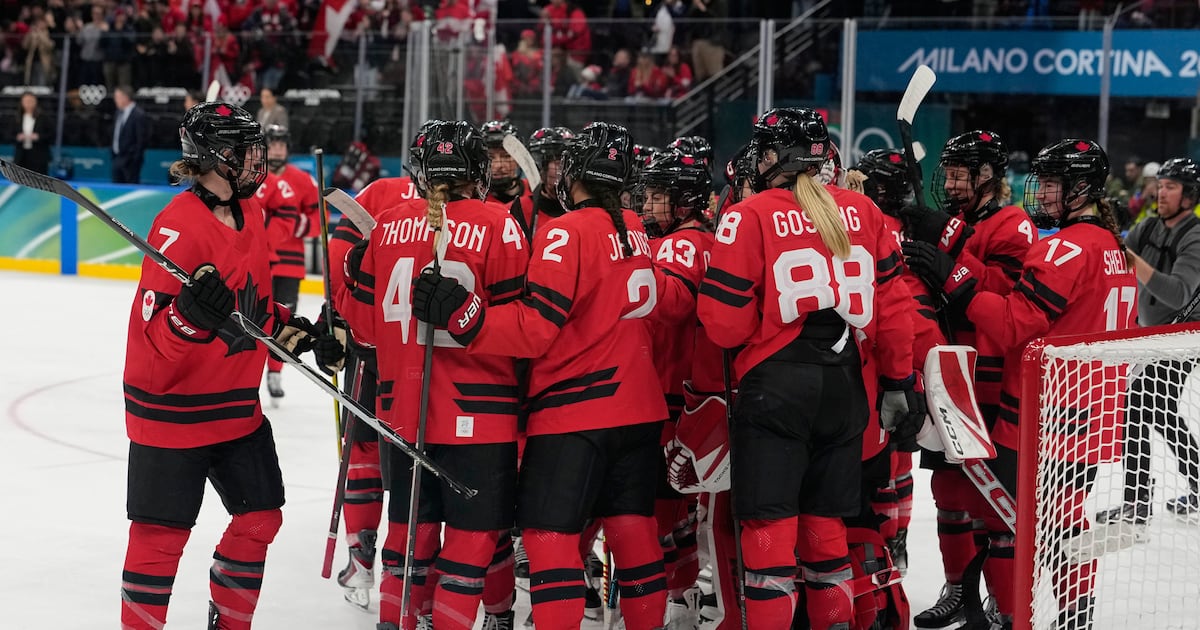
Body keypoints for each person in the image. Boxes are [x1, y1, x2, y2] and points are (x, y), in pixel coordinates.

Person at [412, 122, 670, 630]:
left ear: (576, 172)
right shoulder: (635, 227)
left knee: (549, 540)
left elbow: (534, 330)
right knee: (634, 534)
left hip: (576, 414)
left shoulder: (566, 231)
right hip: (640, 412)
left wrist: (467, 316)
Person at [696, 108, 920, 630]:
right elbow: (896, 311)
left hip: (776, 387)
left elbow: (723, 326)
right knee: (825, 532)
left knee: (768, 534)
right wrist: (898, 381)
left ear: (778, 156)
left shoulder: (748, 214)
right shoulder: (865, 211)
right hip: (846, 388)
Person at [915, 139, 1138, 629]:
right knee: (1067, 526)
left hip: (1047, 414)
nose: (1042, 193)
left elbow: (1016, 322)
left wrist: (956, 280)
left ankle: (1012, 618)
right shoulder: (1113, 250)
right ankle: (1074, 620)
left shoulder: (1068, 246)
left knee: (1007, 524)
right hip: (1095, 412)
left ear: (1080, 188)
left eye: (1053, 184)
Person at [119, 101, 322, 630]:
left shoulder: (252, 212)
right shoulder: (176, 227)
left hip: (234, 407)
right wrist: (188, 316)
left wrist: (285, 329)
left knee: (260, 517)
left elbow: (251, 303)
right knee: (160, 540)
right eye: (246, 150)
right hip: (171, 412)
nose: (258, 160)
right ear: (212, 157)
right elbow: (152, 340)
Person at [336, 120, 529, 630]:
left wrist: (354, 278)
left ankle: (397, 621)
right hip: (480, 412)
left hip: (403, 411)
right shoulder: (499, 223)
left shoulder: (387, 226)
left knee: (410, 531)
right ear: (475, 171)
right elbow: (525, 328)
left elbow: (362, 331)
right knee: (473, 541)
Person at [900, 130, 1036, 629]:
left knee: (993, 497)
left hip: (992, 378)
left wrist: (950, 250)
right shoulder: (960, 219)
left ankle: (1005, 606)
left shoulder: (1013, 223)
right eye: (949, 172)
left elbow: (1008, 297)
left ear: (987, 177)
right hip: (951, 374)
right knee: (949, 492)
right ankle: (959, 589)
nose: (951, 182)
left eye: (961, 173)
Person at [326, 123, 431, 612]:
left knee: (364, 447)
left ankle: (361, 554)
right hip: (434, 358)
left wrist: (343, 313)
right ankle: (413, 563)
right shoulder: (469, 206)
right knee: (416, 458)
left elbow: (337, 252)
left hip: (373, 347)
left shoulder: (381, 191)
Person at [636, 148, 716, 627]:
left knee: (665, 512)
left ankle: (678, 599)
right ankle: (682, 596)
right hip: (681, 391)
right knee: (677, 511)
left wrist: (627, 263)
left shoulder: (685, 243)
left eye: (658, 196)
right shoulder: (687, 237)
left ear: (684, 200)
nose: (647, 206)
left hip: (670, 394)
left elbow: (670, 306)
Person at [1101, 157, 1200, 522]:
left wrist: (1131, 260)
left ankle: (1137, 501)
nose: (1161, 191)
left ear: (1189, 195)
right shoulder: (1150, 227)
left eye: (1171, 186)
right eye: (1161, 185)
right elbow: (1117, 249)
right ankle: (1180, 487)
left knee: (1139, 408)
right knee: (1161, 413)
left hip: (1182, 338)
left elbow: (1177, 293)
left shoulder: (1195, 235)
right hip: (1152, 337)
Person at [255, 124, 320, 403]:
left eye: (283, 144)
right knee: (254, 316)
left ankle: (276, 372)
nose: (278, 149)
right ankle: (249, 372)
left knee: (284, 319)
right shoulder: (254, 176)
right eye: (274, 143)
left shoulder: (303, 180)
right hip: (258, 259)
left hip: (290, 264)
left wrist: (299, 223)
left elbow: (319, 220)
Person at [480, 120, 534, 231]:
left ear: (519, 159)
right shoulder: (474, 199)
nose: (498, 165)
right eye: (490, 157)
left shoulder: (536, 192)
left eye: (506, 156)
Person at [523, 126, 574, 240]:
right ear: (542, 168)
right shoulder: (520, 209)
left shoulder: (583, 210)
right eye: (558, 163)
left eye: (569, 163)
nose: (565, 170)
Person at [111, 85, 148, 184]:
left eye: (117, 97)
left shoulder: (139, 115)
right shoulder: (118, 113)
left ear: (125, 98)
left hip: (131, 162)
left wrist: (135, 160)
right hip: (117, 158)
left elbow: (141, 141)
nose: (115, 100)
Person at [13, 91, 50, 174]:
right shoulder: (17, 117)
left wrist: (38, 137)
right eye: (26, 101)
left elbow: (51, 134)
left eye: (30, 101)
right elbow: (9, 134)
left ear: (35, 102)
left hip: (39, 155)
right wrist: (18, 137)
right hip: (21, 154)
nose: (28, 104)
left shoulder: (43, 117)